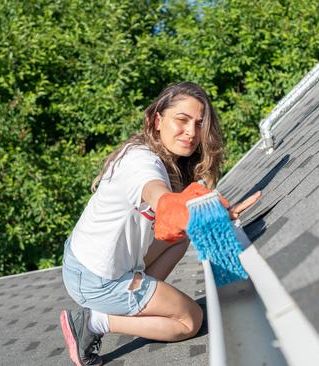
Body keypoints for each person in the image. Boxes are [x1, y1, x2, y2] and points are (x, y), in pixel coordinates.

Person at [59, 81, 261, 366]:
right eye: (182, 120)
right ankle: (95, 321)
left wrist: (210, 211)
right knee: (190, 319)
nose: (191, 132)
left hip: (88, 262)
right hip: (97, 280)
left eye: (199, 124)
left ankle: (137, 295)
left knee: (180, 237)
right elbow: (161, 198)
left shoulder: (156, 156)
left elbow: (176, 220)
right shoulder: (143, 164)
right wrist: (182, 207)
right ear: (157, 120)